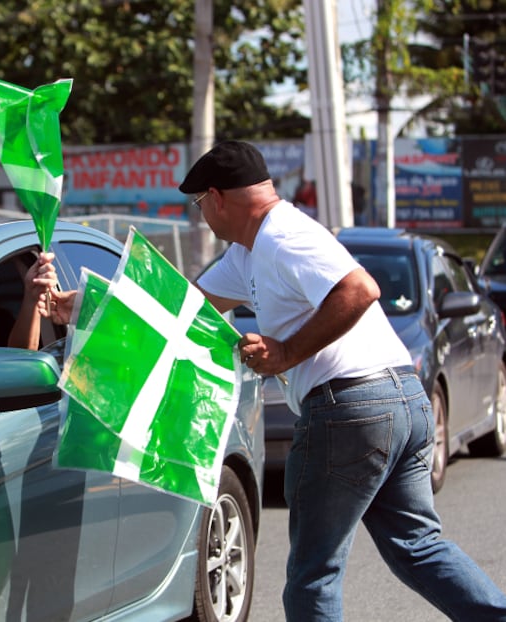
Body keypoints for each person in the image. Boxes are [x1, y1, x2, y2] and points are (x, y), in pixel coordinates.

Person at [175, 140, 506, 621]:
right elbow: (183, 304)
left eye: (199, 203)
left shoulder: (282, 235)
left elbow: (360, 289)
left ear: (217, 197)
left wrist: (287, 351)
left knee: (314, 575)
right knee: (417, 547)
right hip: (402, 399)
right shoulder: (249, 252)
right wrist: (83, 303)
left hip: (349, 409)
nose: (201, 214)